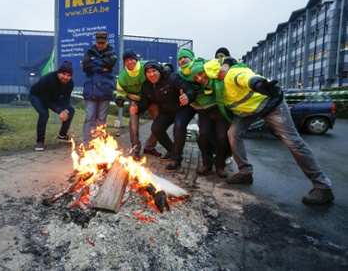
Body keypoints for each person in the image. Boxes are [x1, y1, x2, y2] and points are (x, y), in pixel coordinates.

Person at [200, 57, 335, 205]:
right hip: (248, 112)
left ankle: (322, 186)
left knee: (293, 142)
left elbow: (246, 78)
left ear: (212, 74)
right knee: (233, 133)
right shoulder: (215, 88)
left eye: (203, 76)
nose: (200, 79)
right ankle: (245, 172)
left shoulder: (230, 75)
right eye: (198, 77)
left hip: (271, 104)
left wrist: (257, 84)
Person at [130, 61, 197, 172]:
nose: (152, 74)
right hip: (166, 111)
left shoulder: (171, 78)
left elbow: (190, 90)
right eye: (148, 72)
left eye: (154, 71)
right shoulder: (147, 86)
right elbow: (144, 103)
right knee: (156, 128)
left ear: (159, 71)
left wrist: (188, 97)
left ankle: (176, 159)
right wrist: (137, 108)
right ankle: (172, 151)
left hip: (183, 108)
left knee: (179, 126)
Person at [177, 48, 231, 178]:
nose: (182, 60)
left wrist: (207, 82)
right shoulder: (181, 76)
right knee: (203, 137)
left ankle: (220, 165)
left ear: (191, 58)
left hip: (217, 107)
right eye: (180, 59)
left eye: (185, 57)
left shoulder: (204, 65)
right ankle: (207, 163)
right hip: (203, 111)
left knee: (222, 138)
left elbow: (220, 76)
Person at [115, 49, 162, 160]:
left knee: (161, 122)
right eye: (127, 60)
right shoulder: (122, 76)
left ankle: (149, 147)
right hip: (134, 100)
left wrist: (167, 67)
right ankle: (135, 149)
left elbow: (160, 66)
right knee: (133, 123)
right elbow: (120, 90)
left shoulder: (145, 66)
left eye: (132, 59)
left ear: (136, 60)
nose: (130, 62)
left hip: (150, 99)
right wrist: (119, 98)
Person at [81, 31, 118, 148]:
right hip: (90, 91)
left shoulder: (112, 53)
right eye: (98, 43)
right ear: (95, 42)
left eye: (102, 43)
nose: (100, 45)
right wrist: (103, 68)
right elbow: (85, 66)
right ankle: (87, 143)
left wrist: (94, 65)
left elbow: (110, 63)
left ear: (107, 41)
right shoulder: (89, 52)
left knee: (101, 119)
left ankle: (98, 144)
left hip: (105, 91)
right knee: (89, 118)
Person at [29, 61, 75, 151]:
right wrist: (59, 111)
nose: (66, 77)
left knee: (71, 110)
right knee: (44, 113)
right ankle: (40, 141)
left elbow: (66, 99)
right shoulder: (48, 79)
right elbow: (45, 100)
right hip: (37, 96)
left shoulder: (70, 84)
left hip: (54, 97)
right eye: (64, 74)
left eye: (69, 75)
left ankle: (62, 135)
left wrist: (65, 110)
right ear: (58, 72)